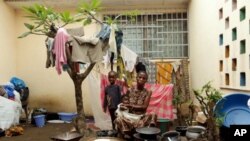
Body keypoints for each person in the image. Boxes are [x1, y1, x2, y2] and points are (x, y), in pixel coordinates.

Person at [114, 71, 157, 138]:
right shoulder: (129, 90)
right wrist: (123, 107)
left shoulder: (148, 92)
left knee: (153, 115)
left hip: (140, 118)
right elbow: (125, 103)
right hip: (129, 117)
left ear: (146, 80)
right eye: (140, 77)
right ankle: (127, 133)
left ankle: (150, 134)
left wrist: (130, 106)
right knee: (118, 119)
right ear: (136, 78)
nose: (141, 79)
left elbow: (144, 107)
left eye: (144, 78)